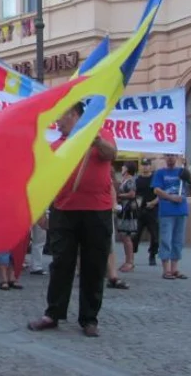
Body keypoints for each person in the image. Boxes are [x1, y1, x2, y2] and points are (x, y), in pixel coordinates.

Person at [28, 103, 116, 337]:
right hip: (64, 211)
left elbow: (111, 154)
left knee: (94, 266)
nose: (57, 120)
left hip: (97, 211)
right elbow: (42, 181)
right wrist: (39, 211)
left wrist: (95, 141)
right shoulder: (55, 145)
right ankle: (53, 314)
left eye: (62, 115)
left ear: (75, 115)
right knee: (60, 264)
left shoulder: (101, 134)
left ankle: (89, 319)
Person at [152, 154, 191, 280]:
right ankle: (166, 269)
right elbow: (156, 190)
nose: (170, 158)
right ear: (165, 158)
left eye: (173, 156)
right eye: (168, 156)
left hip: (181, 211)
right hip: (166, 211)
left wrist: (188, 167)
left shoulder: (181, 171)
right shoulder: (160, 173)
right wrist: (171, 198)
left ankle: (175, 268)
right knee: (166, 240)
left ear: (176, 158)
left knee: (178, 241)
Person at [132, 158, 159, 265]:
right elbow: (134, 195)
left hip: (152, 210)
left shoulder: (154, 179)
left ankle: (152, 255)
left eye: (147, 165)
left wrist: (153, 203)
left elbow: (159, 194)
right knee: (135, 235)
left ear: (150, 166)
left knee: (155, 236)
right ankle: (131, 258)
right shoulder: (137, 180)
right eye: (143, 165)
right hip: (140, 211)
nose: (145, 167)